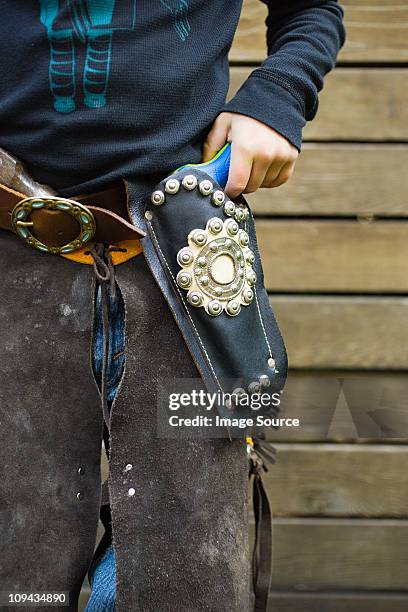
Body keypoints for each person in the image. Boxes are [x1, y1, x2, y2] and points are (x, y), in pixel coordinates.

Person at [0, 2, 345, 611]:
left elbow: (311, 7)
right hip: (10, 268)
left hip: (182, 277)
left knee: (186, 587)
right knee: (18, 584)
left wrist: (278, 92)